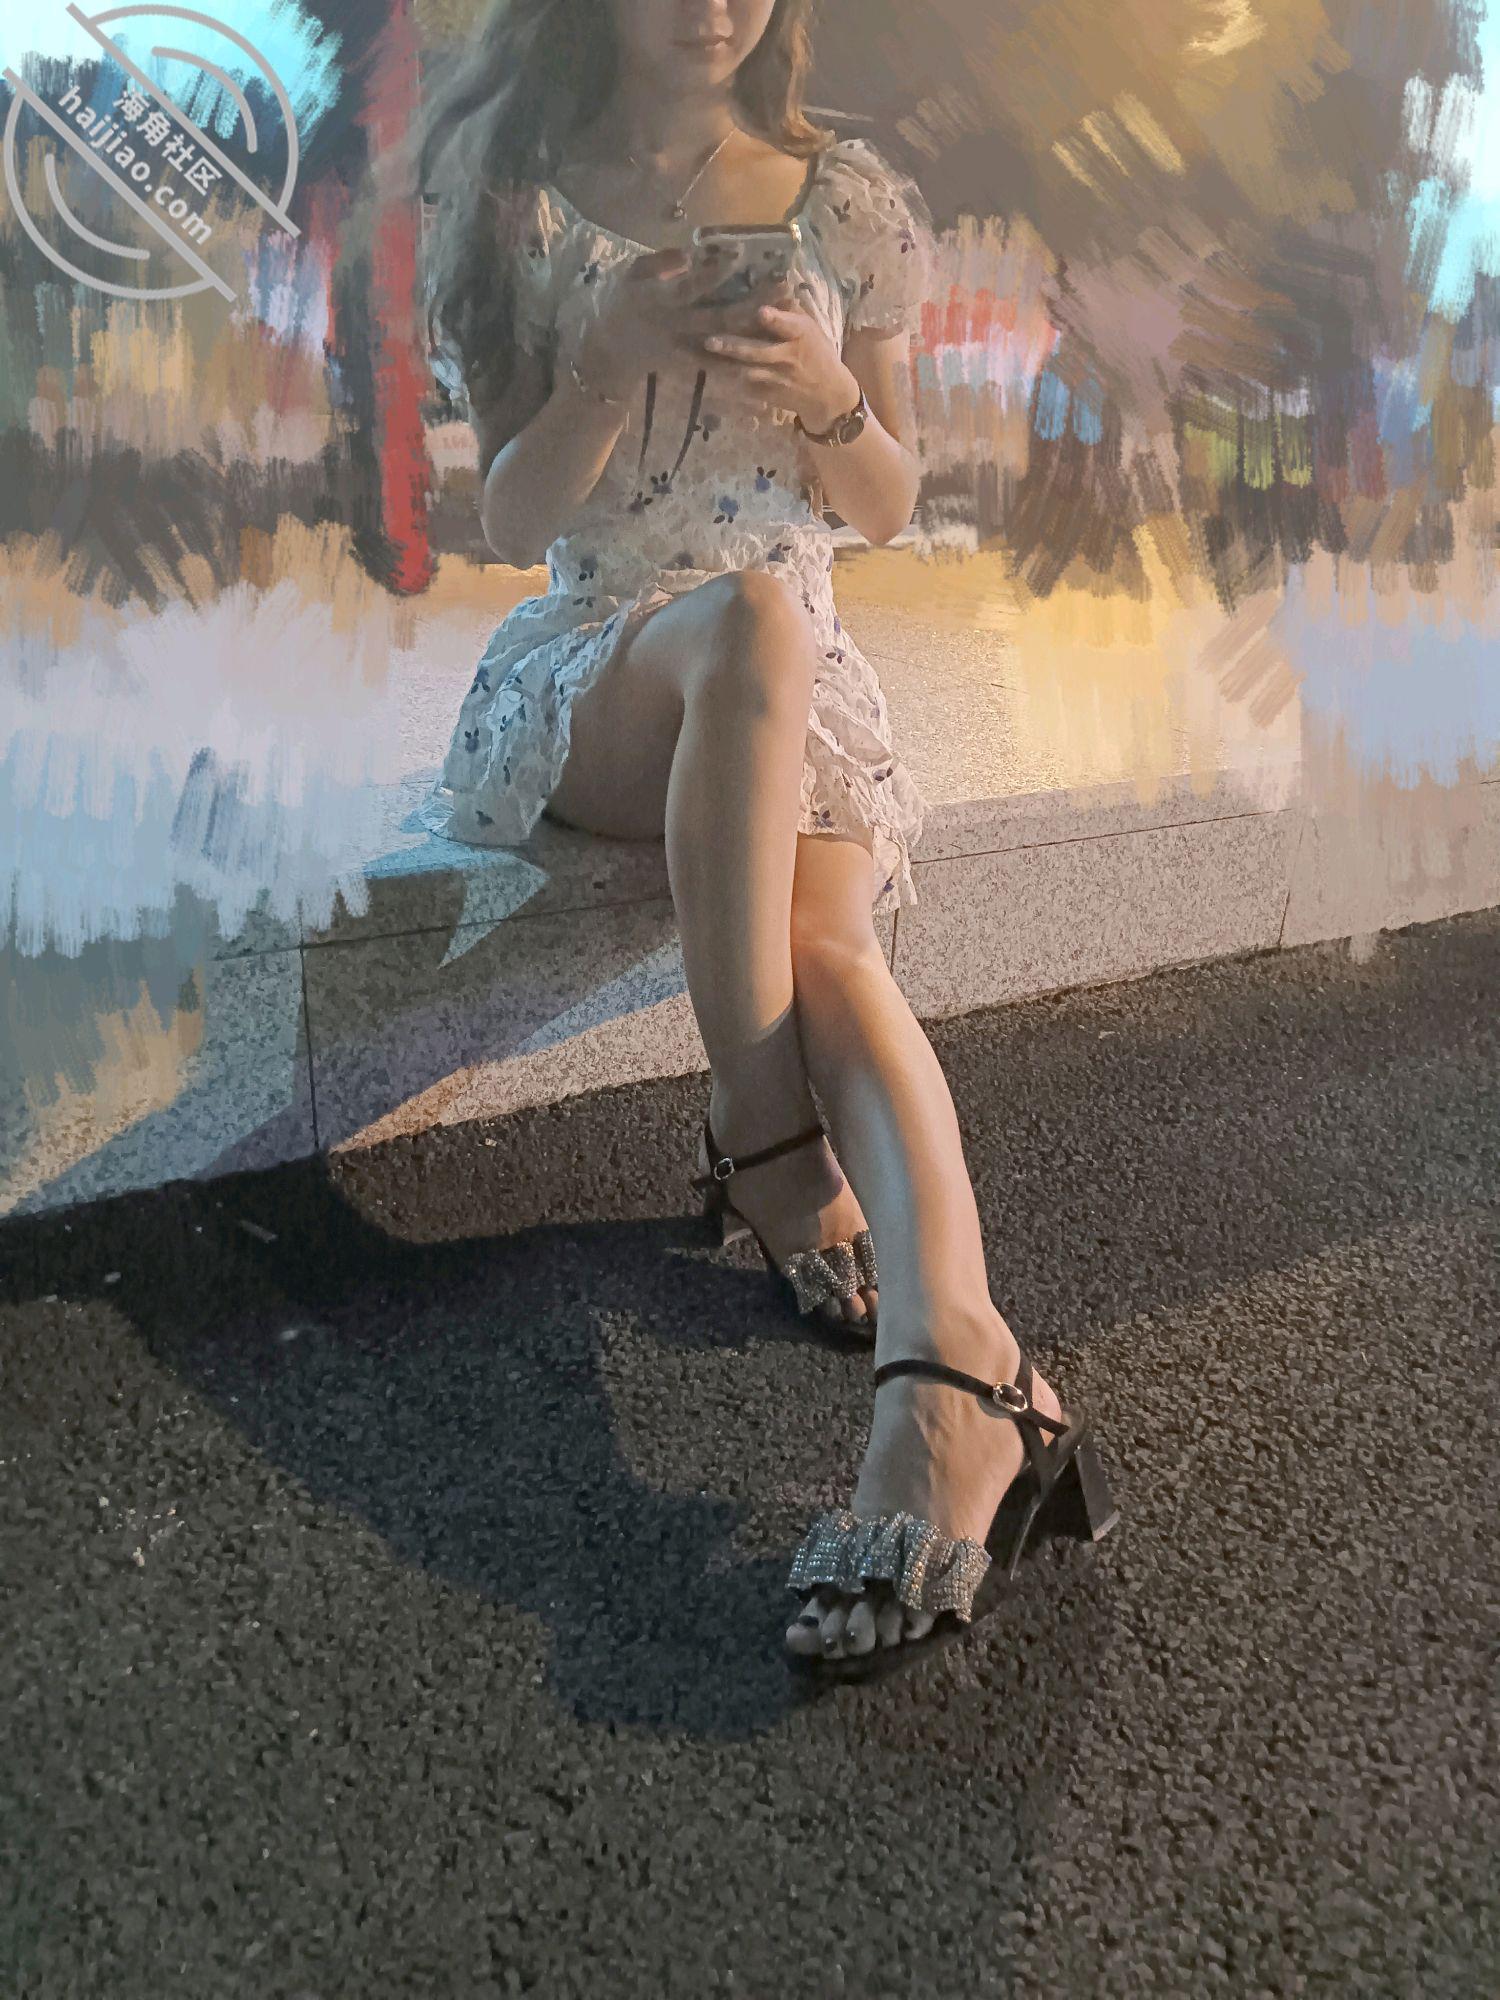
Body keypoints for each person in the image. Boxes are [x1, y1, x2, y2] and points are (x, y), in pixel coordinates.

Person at [416, 0, 1115, 1680]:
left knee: (826, 937)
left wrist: (828, 399)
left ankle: (951, 1372)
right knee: (743, 623)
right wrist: (604, 365)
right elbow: (508, 518)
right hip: (604, 663)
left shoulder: (846, 200)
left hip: (800, 671)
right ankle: (770, 1140)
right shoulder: (515, 189)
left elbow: (885, 504)